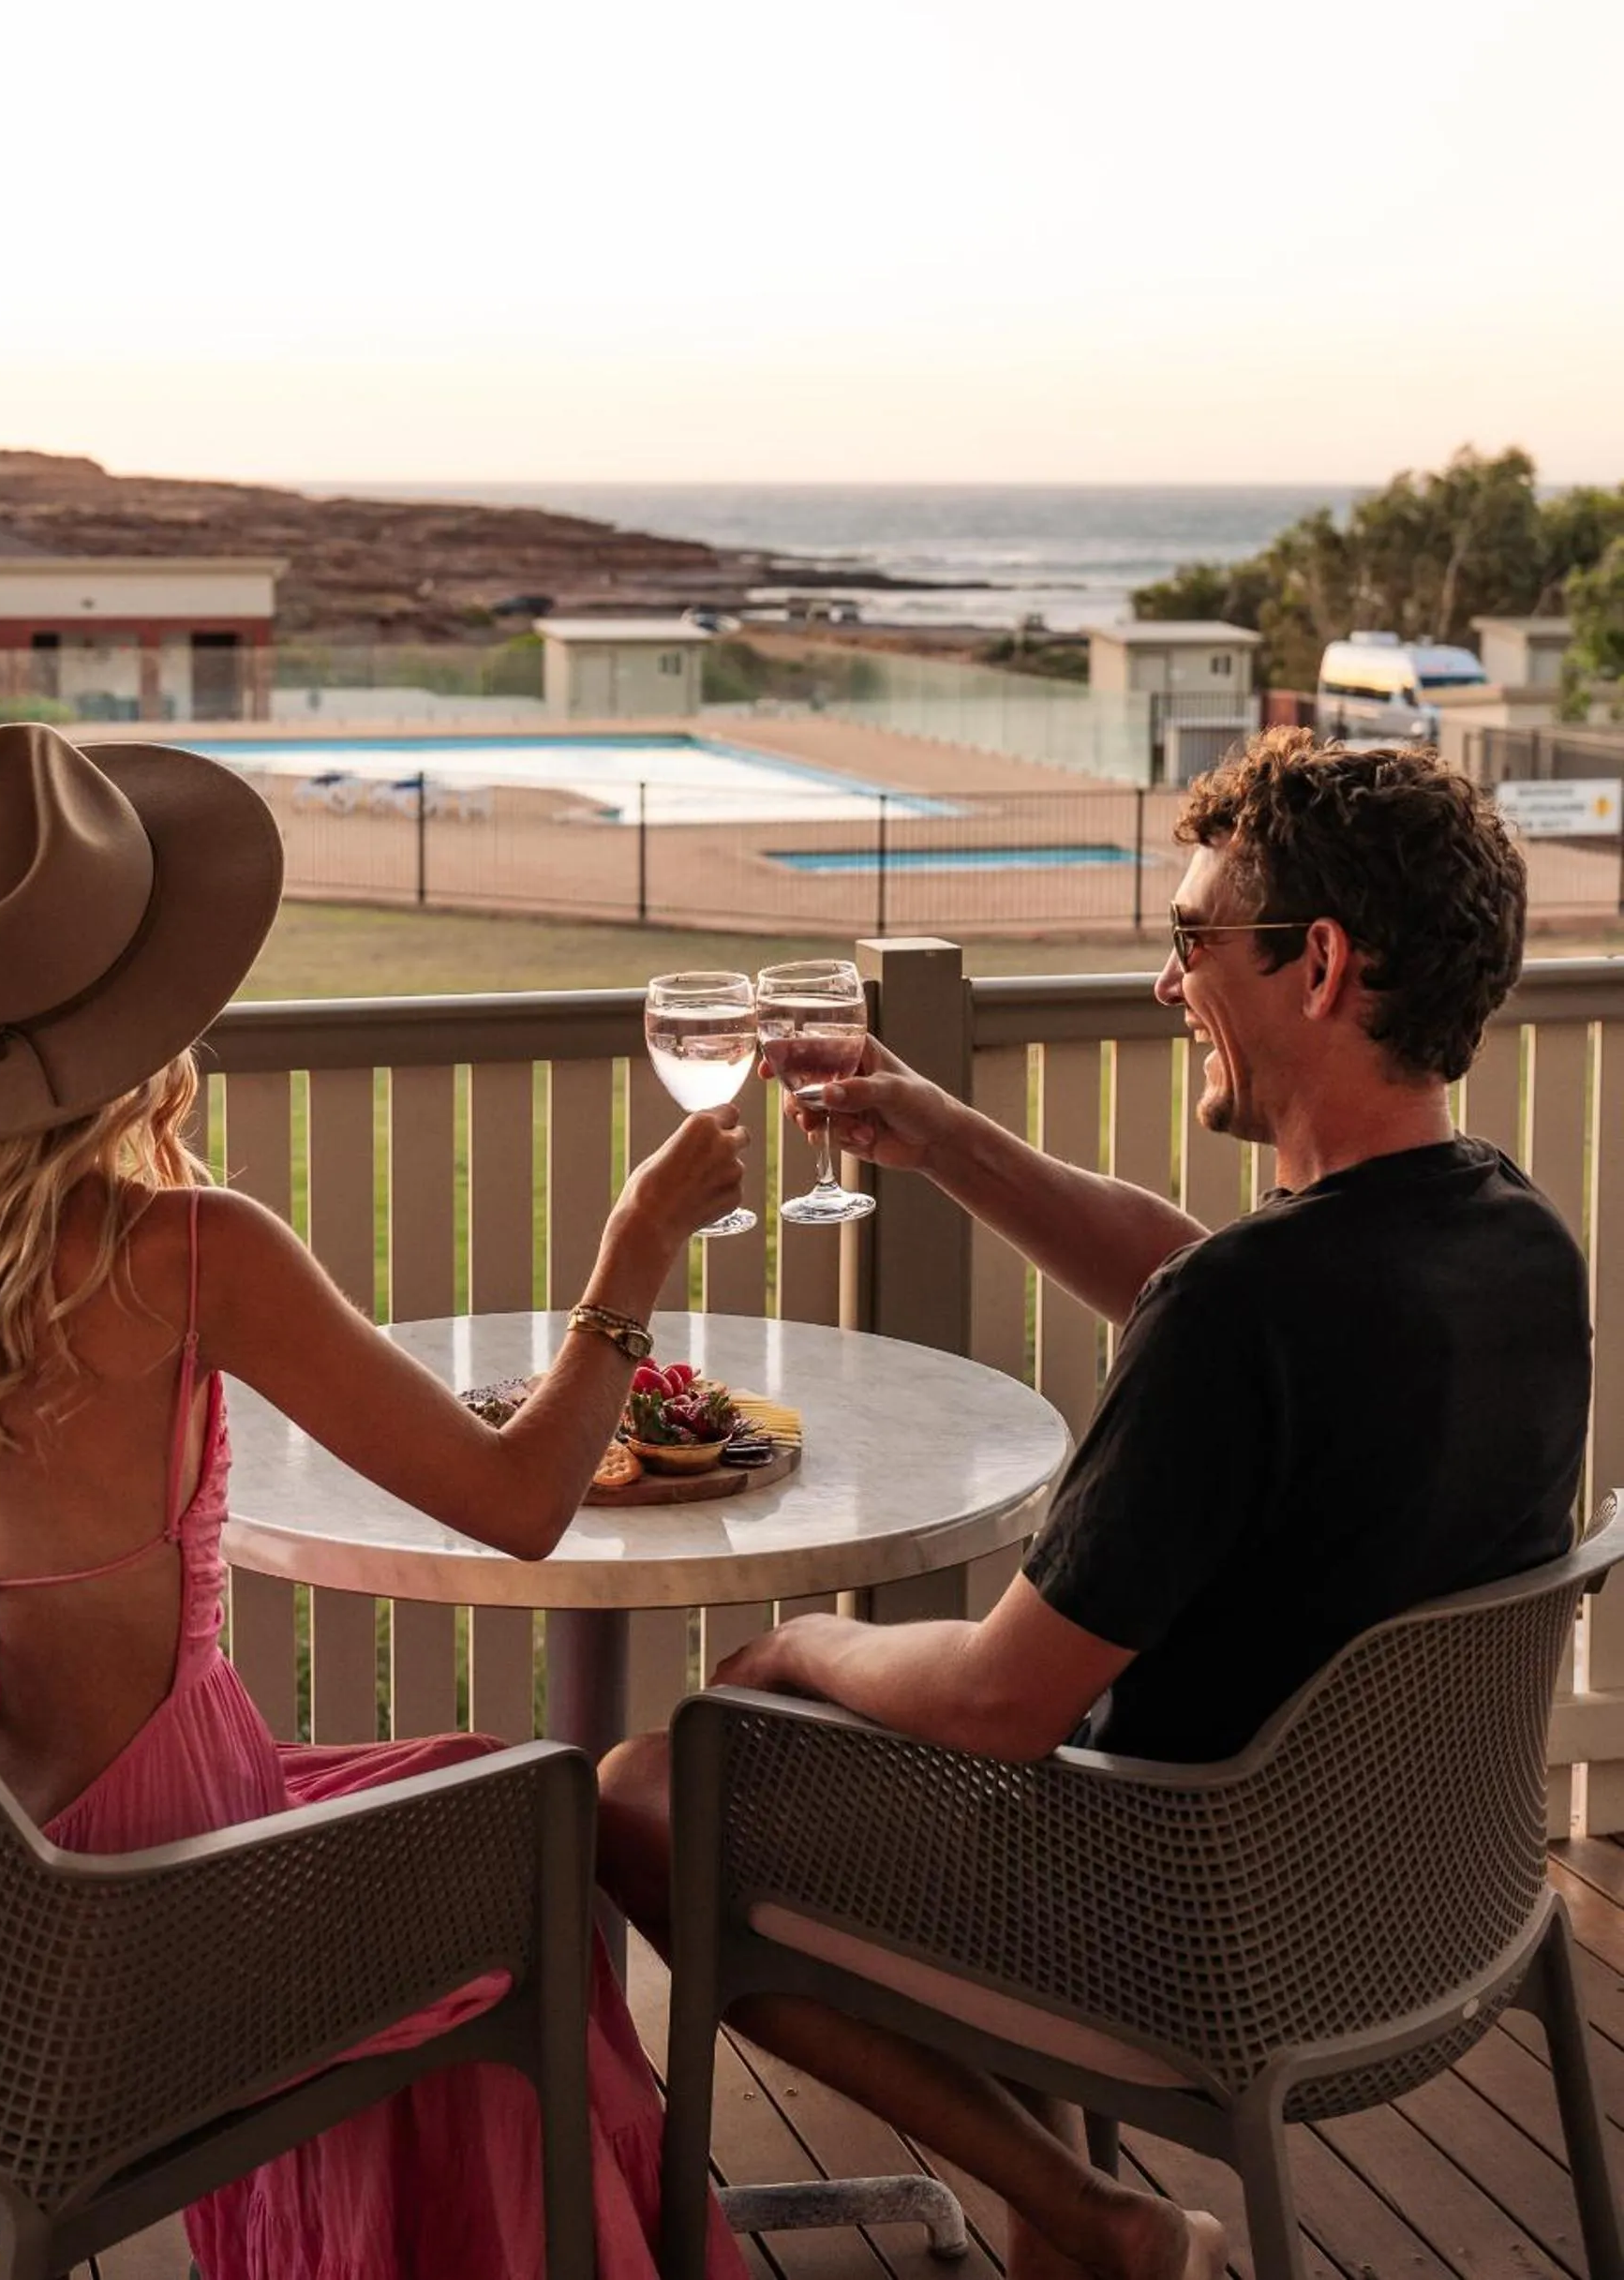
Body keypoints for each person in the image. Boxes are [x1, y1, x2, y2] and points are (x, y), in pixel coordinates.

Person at [600, 728, 1590, 2280]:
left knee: (650, 1794)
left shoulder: (1248, 1318)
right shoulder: (1515, 1240)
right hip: (1421, 1908)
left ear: (1317, 963)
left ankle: (1087, 2213)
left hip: (1182, 1920)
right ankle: (1071, 2214)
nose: (1165, 979)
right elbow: (1200, 1287)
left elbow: (999, 1699)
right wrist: (942, 1133)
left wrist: (802, 1647)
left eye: (1194, 938)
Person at [0, 722, 753, 2280]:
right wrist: (632, 1254)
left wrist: (7, 1865)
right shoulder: (186, 1251)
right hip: (182, 1917)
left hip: (12, 1897)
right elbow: (519, 1503)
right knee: (535, 1835)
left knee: (483, 1794)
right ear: (146, 1008)